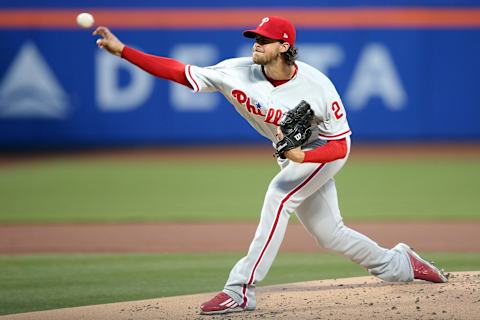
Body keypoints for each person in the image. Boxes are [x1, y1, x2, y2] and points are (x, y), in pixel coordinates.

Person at [93, 16, 448, 315]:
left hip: (321, 150)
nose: (256, 44)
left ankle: (240, 289)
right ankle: (398, 263)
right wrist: (123, 51)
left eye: (264, 39)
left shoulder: (318, 86)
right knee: (329, 232)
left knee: (278, 197)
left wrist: (303, 157)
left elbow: (340, 146)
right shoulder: (234, 72)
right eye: (254, 38)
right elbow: (177, 71)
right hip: (291, 153)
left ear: (283, 46)